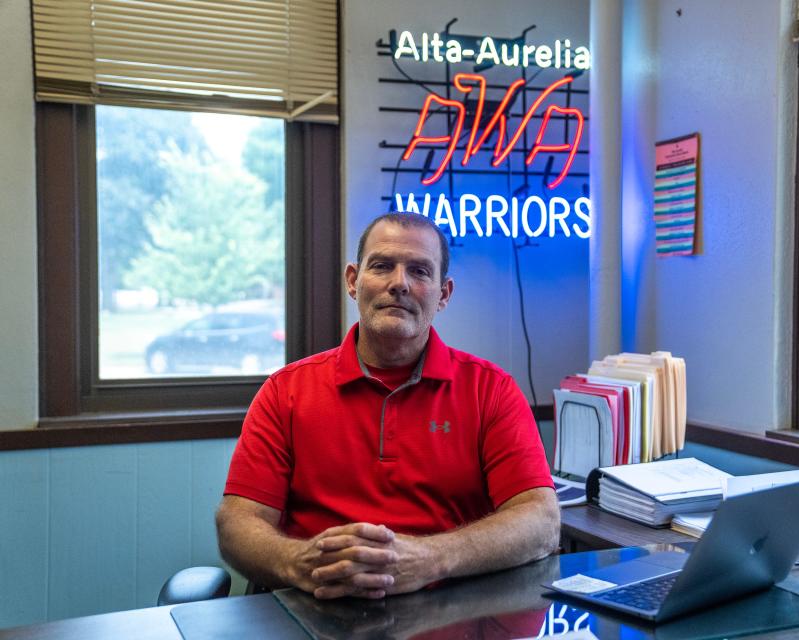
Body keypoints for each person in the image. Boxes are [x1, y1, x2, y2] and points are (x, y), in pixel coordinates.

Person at [216, 212, 559, 600]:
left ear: (443, 294)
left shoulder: (491, 390)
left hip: (450, 610)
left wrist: (430, 558)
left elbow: (541, 520)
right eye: (381, 266)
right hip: (314, 605)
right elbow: (237, 523)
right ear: (353, 280)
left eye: (419, 271)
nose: (399, 284)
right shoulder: (286, 390)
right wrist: (299, 562)